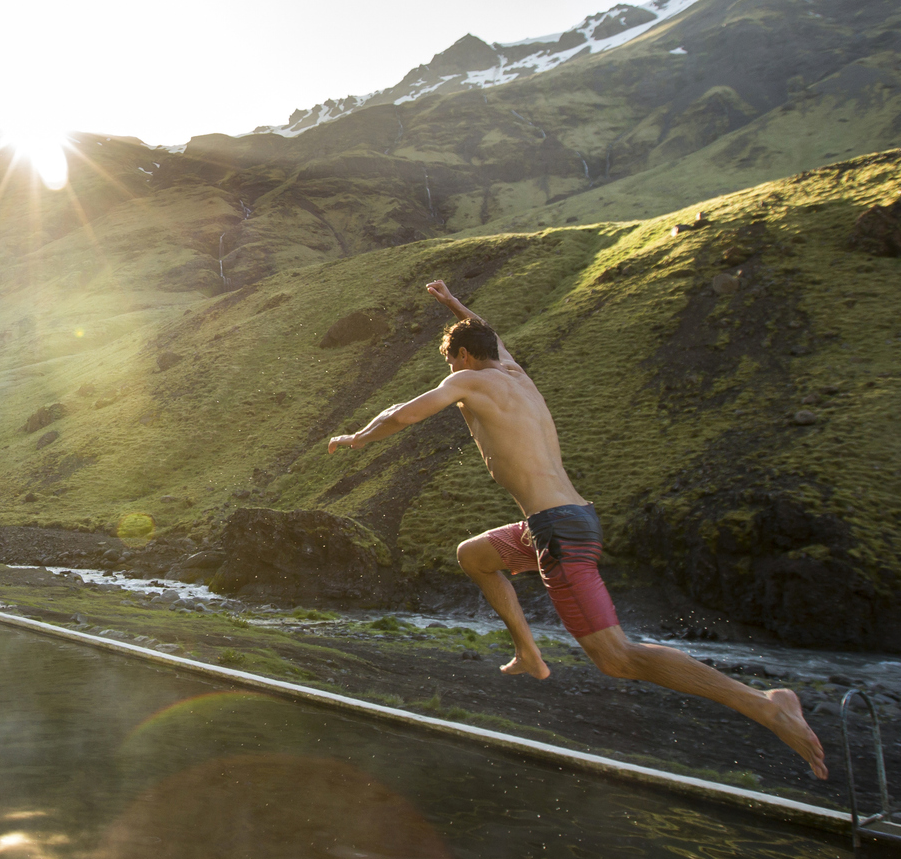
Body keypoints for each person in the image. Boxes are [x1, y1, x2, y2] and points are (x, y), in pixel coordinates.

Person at [325, 279, 827, 780]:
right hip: (569, 519)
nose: (449, 373)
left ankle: (766, 706)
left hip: (557, 532)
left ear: (460, 355)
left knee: (617, 658)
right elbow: (490, 336)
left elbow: (402, 413)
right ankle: (528, 651)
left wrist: (358, 437)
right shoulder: (517, 374)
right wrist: (455, 305)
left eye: (450, 361)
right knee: (474, 555)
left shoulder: (470, 380)